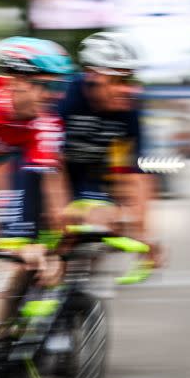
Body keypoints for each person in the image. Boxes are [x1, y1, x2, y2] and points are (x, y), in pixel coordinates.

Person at [57, 32, 158, 268]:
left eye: (130, 80)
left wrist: (143, 231)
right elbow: (49, 163)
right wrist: (60, 213)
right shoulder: (64, 99)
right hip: (52, 172)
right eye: (118, 81)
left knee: (107, 223)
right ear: (92, 76)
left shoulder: (129, 109)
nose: (127, 90)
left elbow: (134, 173)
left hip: (91, 178)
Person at [0, 37, 73, 330]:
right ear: (16, 81)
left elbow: (53, 188)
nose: (52, 96)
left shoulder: (45, 123)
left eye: (59, 87)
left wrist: (58, 250)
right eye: (46, 86)